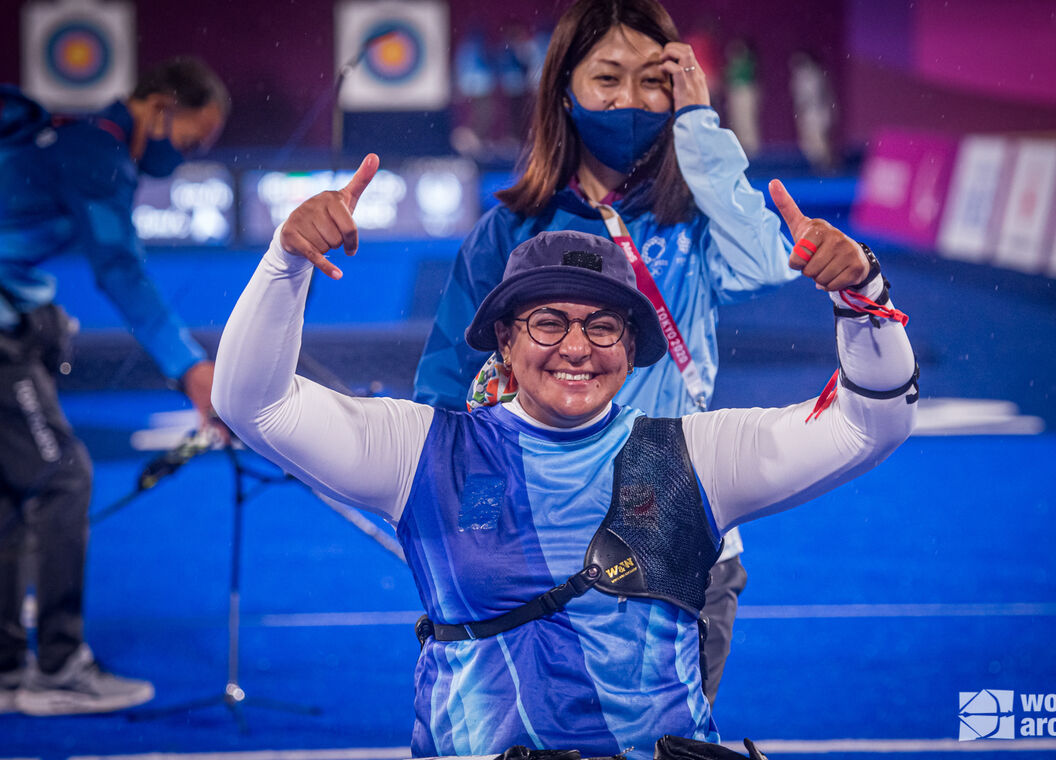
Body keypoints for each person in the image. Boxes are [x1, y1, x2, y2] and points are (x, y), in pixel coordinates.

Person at [211, 154, 918, 759]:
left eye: (603, 325)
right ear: (505, 341)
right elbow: (252, 405)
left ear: (631, 349)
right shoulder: (424, 451)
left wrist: (862, 293)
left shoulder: (692, 456)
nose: (576, 347)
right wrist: (285, 264)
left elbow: (870, 427)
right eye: (548, 322)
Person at [413, 0, 796, 704]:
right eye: (608, 78)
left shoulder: (696, 220)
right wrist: (472, 536)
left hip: (676, 530)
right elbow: (447, 397)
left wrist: (698, 125)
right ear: (565, 88)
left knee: (664, 747)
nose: (631, 100)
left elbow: (767, 265)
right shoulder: (511, 230)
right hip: (537, 547)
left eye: (654, 81)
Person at [0, 57, 228, 716]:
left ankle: (8, 670)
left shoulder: (71, 137)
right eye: (189, 141)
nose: (184, 158)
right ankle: (60, 668)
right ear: (158, 107)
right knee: (62, 477)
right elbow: (120, 268)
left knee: (13, 492)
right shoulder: (95, 153)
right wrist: (193, 369)